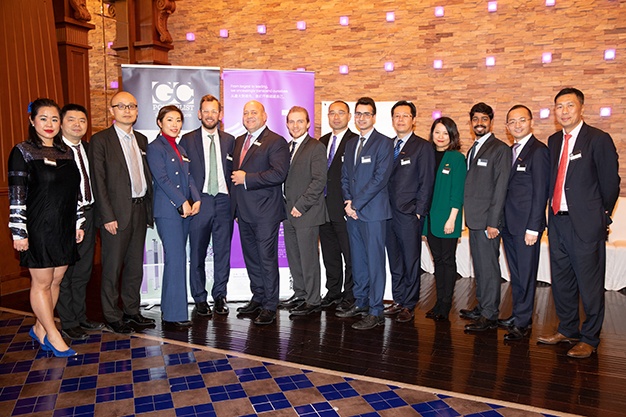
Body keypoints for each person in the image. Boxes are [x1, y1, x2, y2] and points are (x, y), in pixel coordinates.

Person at [538, 88, 620, 358]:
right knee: (562, 281)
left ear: (581, 108)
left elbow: (611, 184)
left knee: (590, 285)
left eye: (569, 105)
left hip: (585, 224)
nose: (564, 111)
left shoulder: (598, 139)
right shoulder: (553, 141)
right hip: (557, 222)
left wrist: (601, 216)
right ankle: (567, 329)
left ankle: (590, 338)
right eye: (559, 106)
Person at [8, 98, 84, 357]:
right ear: (32, 121)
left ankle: (40, 328)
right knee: (41, 283)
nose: (49, 124)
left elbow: (74, 192)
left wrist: (78, 221)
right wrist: (19, 231)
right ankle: (53, 334)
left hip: (64, 226)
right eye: (43, 118)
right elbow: (16, 194)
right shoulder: (23, 151)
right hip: (38, 226)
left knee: (56, 281)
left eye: (54, 119)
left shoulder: (66, 152)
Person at [89, 91, 155, 334]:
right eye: (121, 106)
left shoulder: (142, 140)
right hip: (115, 216)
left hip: (139, 210)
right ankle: (112, 315)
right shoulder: (100, 140)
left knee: (135, 267)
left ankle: (131, 310)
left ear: (137, 110)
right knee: (112, 268)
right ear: (111, 111)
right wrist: (107, 216)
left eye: (132, 106)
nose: (127, 110)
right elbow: (98, 181)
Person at [231, 100, 290, 325]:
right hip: (243, 212)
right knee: (252, 258)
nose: (249, 116)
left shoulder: (276, 141)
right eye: (246, 112)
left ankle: (270, 305)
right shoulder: (239, 141)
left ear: (264, 116)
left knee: (266, 259)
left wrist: (248, 178)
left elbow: (279, 173)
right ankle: (258, 297)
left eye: (254, 112)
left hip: (266, 212)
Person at [337, 97, 393, 330]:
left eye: (366, 114)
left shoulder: (384, 143)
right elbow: (345, 176)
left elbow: (380, 179)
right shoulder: (351, 143)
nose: (362, 118)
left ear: (374, 117)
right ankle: (361, 302)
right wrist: (348, 202)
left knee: (375, 262)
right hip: (353, 213)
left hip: (373, 213)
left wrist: (356, 204)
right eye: (358, 114)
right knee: (358, 260)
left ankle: (376, 310)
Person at [179, 95, 235, 316]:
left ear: (220, 114)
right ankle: (199, 298)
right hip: (199, 201)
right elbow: (183, 174)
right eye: (206, 111)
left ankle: (220, 296)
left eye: (214, 111)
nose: (210, 115)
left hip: (224, 201)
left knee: (223, 252)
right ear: (199, 114)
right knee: (197, 251)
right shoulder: (187, 140)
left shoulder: (230, 140)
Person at [147, 105, 201, 327]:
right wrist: (182, 201)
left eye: (178, 120)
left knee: (177, 260)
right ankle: (174, 316)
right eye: (169, 120)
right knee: (176, 258)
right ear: (160, 123)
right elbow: (162, 179)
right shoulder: (155, 147)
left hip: (185, 211)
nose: (175, 124)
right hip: (168, 211)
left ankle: (170, 310)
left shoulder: (180, 148)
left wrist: (196, 198)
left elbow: (189, 178)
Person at [500, 105, 549, 341]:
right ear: (507, 126)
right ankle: (518, 314)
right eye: (512, 121)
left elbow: (541, 192)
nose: (517, 125)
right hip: (509, 225)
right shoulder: (511, 151)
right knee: (517, 274)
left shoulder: (538, 151)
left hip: (526, 227)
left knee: (527, 275)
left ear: (531, 122)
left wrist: (533, 227)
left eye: (522, 120)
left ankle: (523, 322)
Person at [461, 102, 511, 331]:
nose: (479, 123)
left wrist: (493, 222)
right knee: (480, 266)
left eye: (484, 119)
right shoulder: (473, 149)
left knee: (489, 267)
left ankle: (489, 314)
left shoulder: (500, 149)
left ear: (491, 122)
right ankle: (482, 306)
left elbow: (500, 189)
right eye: (475, 119)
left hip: (487, 221)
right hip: (474, 219)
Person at [384, 101, 435, 323]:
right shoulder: (387, 145)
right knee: (394, 259)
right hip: (386, 213)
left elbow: (426, 181)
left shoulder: (422, 147)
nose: (401, 119)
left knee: (410, 260)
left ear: (413, 119)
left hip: (409, 214)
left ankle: (409, 304)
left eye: (405, 116)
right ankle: (398, 299)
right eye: (397, 116)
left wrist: (419, 212)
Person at [57, 104, 104, 341]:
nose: (77, 124)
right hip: (65, 218)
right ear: (61, 123)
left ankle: (81, 316)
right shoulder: (54, 150)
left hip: (90, 213)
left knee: (84, 270)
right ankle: (68, 321)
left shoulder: (88, 148)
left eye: (82, 120)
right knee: (65, 272)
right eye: (72, 120)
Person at [281, 106, 328, 316]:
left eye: (300, 121)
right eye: (291, 121)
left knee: (308, 259)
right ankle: (300, 294)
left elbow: (319, 181)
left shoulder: (316, 147)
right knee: (294, 257)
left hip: (306, 212)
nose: (295, 125)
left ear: (308, 124)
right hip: (287, 212)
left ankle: (313, 300)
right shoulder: (287, 147)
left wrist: (301, 205)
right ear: (287, 124)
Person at [424, 117, 466, 322]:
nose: (440, 137)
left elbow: (458, 192)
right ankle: (438, 302)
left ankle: (446, 304)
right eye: (437, 132)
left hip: (448, 218)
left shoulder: (457, 158)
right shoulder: (427, 155)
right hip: (430, 218)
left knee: (448, 261)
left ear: (452, 136)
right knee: (437, 261)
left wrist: (452, 219)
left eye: (445, 133)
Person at [318, 101, 358, 312]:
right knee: (330, 254)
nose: (336, 117)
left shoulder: (355, 141)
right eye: (332, 113)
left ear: (349, 116)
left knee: (350, 255)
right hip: (323, 209)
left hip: (345, 209)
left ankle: (350, 294)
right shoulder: (322, 142)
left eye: (340, 113)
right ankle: (333, 292)